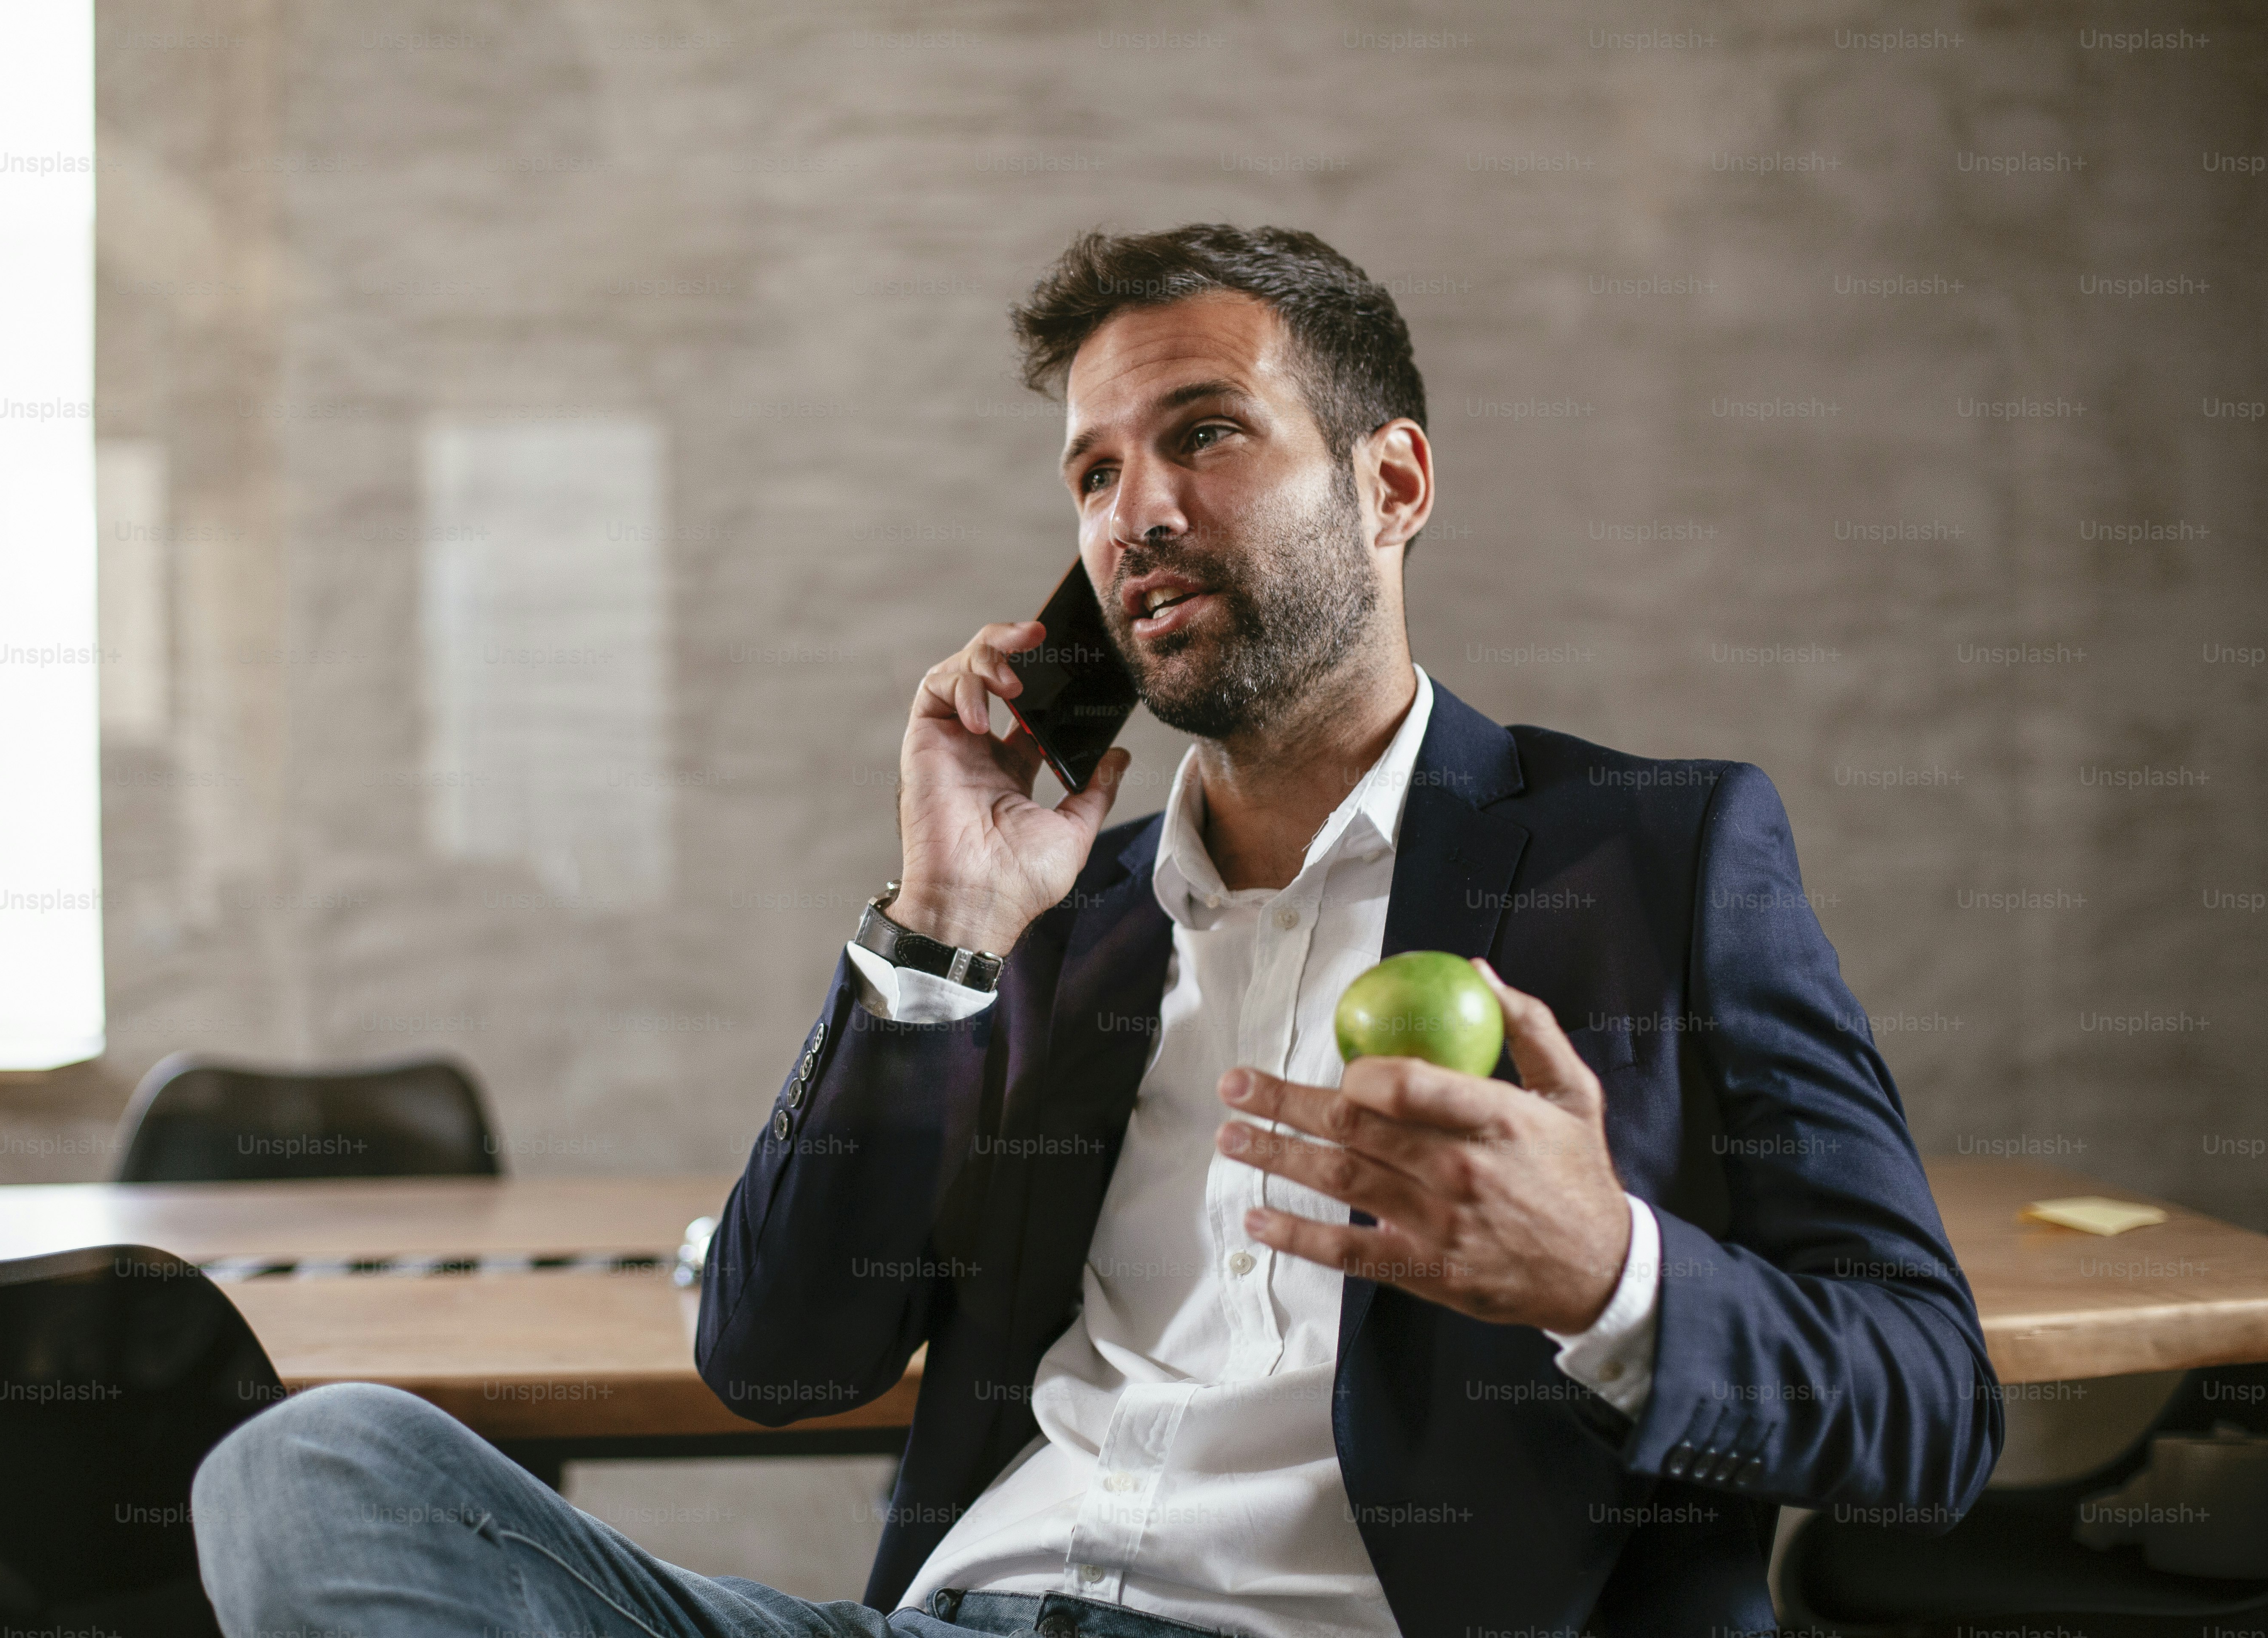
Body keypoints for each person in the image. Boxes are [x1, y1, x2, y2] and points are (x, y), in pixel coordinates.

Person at [193, 224, 2001, 1638]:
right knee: (312, 1467)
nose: (1136, 511)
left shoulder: (1657, 860)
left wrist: (1609, 1271)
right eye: (1091, 472)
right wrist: (938, 925)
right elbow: (776, 1355)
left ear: (1392, 487)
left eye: (1203, 435)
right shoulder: (1058, 929)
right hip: (965, 1614)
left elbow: (1931, 1408)